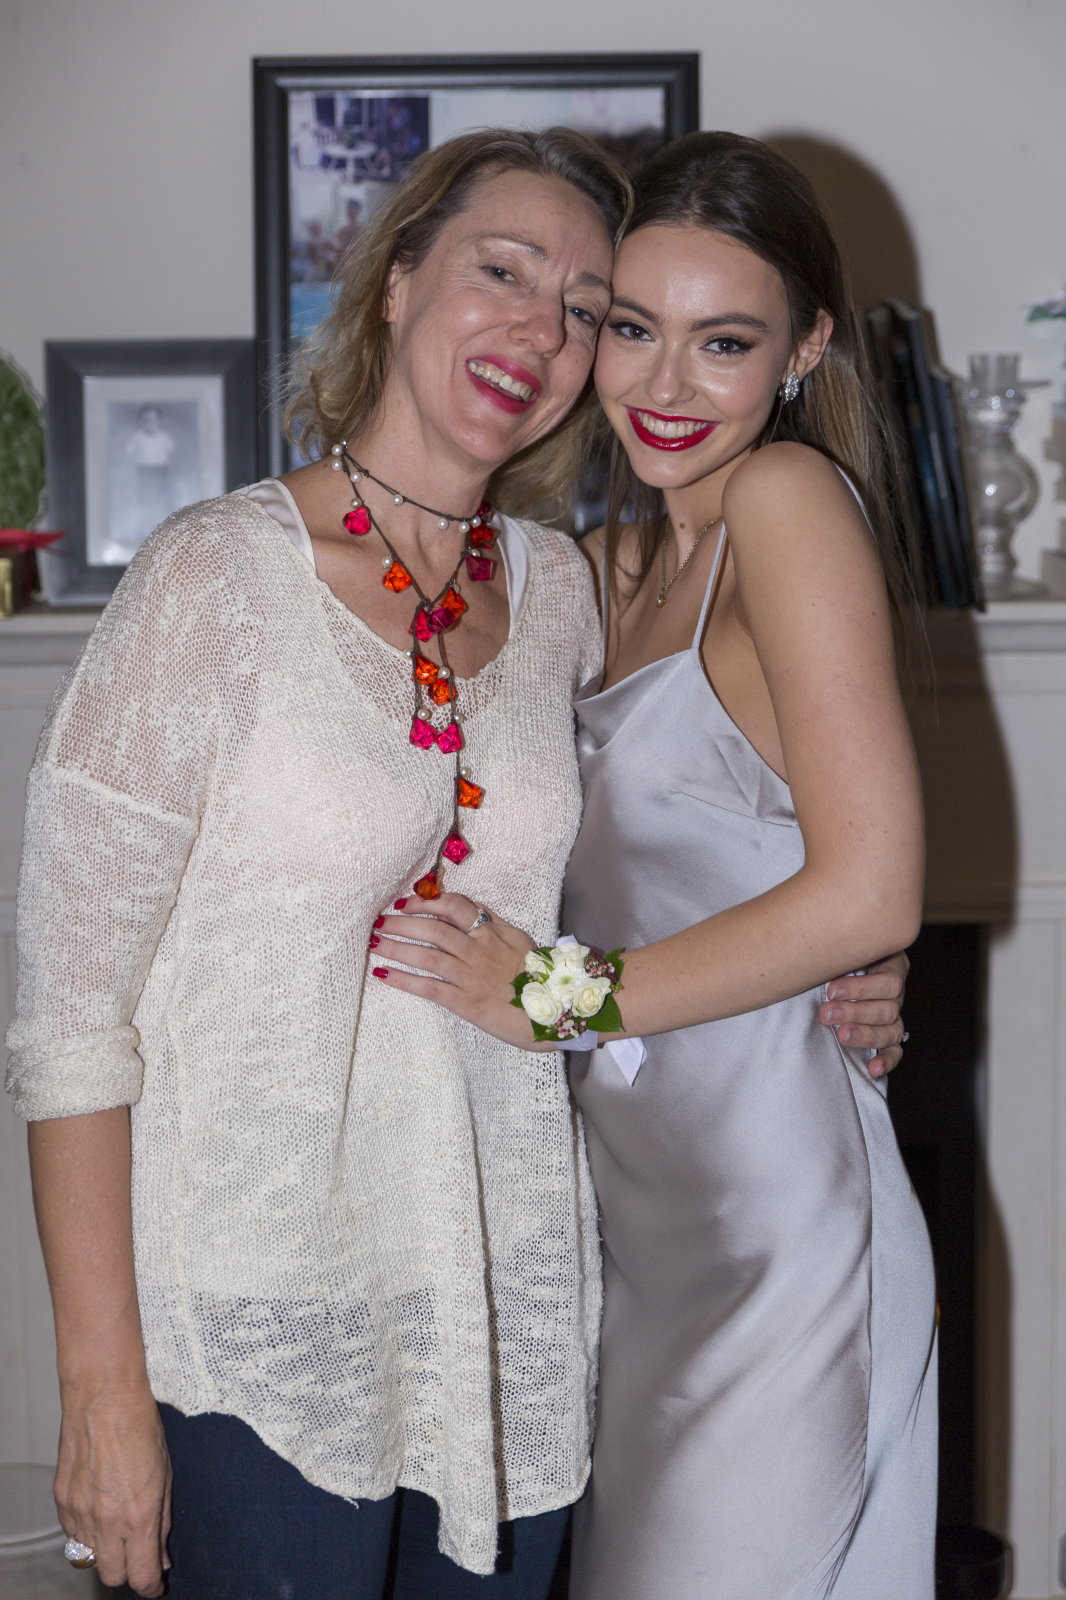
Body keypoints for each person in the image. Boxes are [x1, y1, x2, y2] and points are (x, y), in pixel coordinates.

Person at [7, 128, 907, 1600]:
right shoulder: (213, 577)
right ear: (394, 282)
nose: (541, 332)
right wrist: (100, 1386)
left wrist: (861, 954)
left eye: (583, 307)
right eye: (504, 272)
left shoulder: (561, 587)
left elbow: (718, 812)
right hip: (260, 1325)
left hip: (516, 1321)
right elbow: (67, 1021)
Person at [371, 130, 934, 1599]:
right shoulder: (603, 568)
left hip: (775, 1232)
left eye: (723, 341)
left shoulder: (783, 504)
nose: (664, 385)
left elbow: (871, 889)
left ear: (805, 349)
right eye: (631, 328)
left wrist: (552, 997)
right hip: (637, 1233)